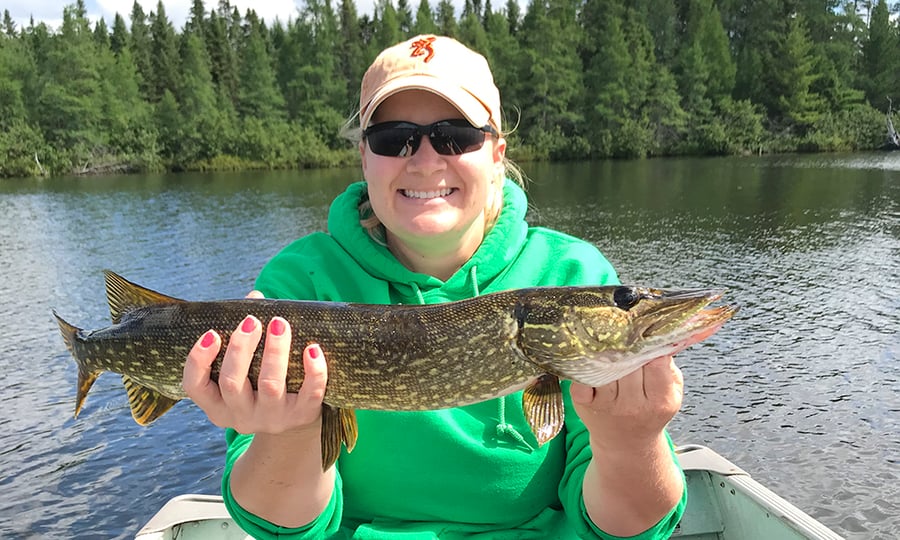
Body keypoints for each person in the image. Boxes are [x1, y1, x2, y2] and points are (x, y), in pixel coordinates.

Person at [182, 34, 687, 539]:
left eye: (455, 135)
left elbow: (627, 531)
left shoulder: (571, 275)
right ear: (365, 157)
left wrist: (632, 442)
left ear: (495, 154)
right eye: (393, 137)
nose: (424, 160)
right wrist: (289, 431)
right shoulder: (299, 282)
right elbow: (286, 528)